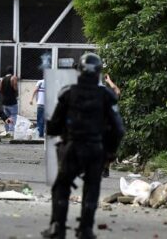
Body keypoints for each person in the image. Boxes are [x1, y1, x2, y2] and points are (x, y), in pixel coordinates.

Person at [42, 53, 124, 239]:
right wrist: (110, 152)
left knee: (61, 186)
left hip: (72, 148)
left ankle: (58, 227)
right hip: (96, 149)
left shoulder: (68, 93)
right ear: (98, 72)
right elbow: (118, 129)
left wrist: (57, 128)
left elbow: (53, 126)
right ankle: (86, 229)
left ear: (79, 71)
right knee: (92, 187)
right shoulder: (106, 96)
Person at [0, 67, 19, 134]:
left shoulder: (2, 79)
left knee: (6, 117)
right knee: (13, 116)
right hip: (12, 101)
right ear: (12, 72)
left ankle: (7, 131)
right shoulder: (13, 78)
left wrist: (5, 95)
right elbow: (15, 88)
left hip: (5, 102)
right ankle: (11, 132)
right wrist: (16, 95)